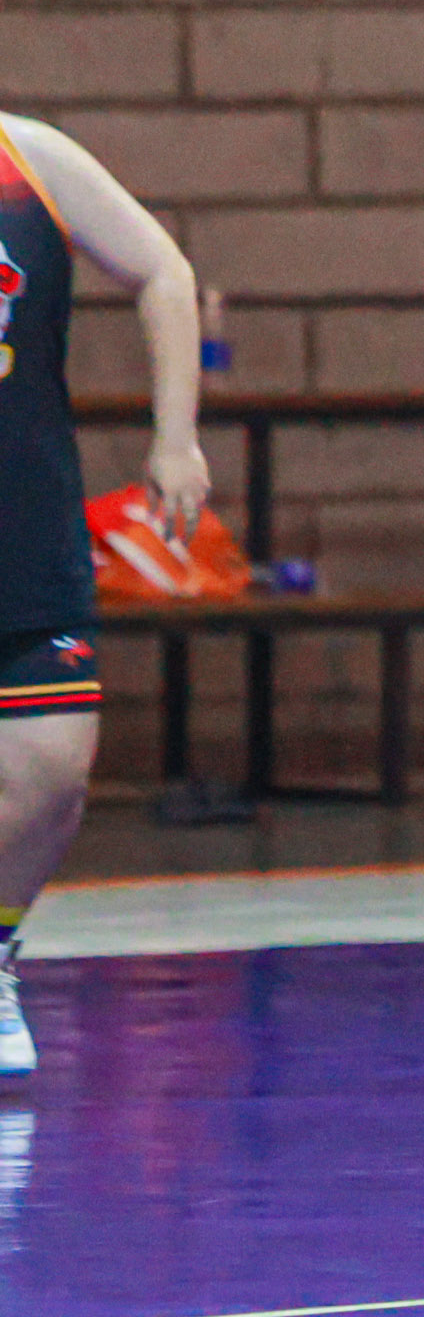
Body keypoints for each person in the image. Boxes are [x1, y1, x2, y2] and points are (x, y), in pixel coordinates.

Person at [0, 115, 208, 1079]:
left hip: (24, 528)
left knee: (53, 770)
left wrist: (176, 437)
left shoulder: (29, 159)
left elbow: (162, 269)